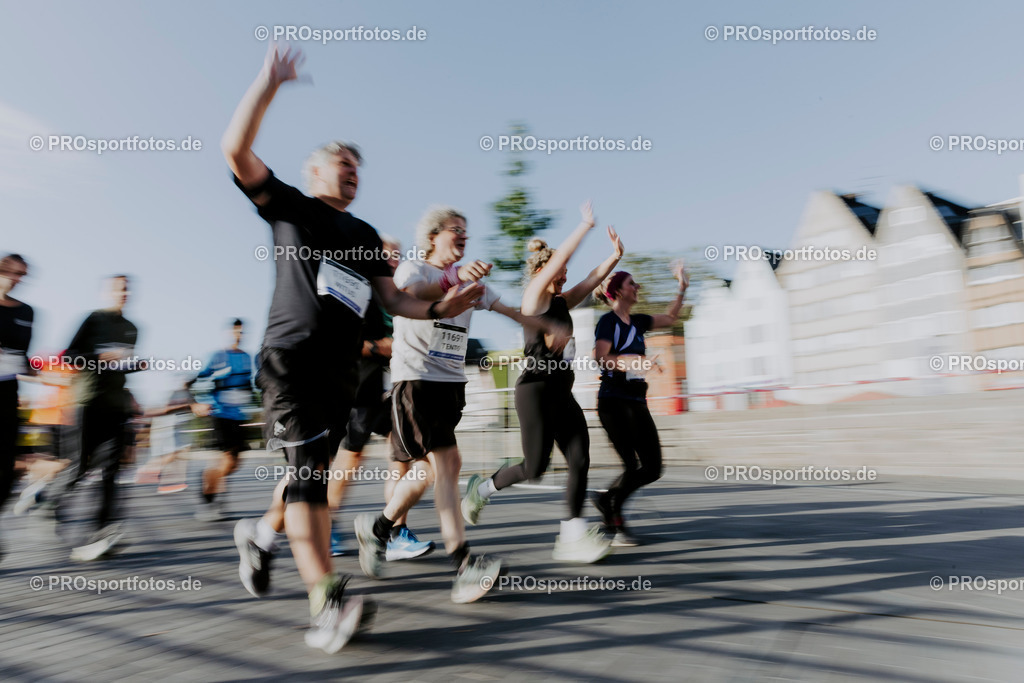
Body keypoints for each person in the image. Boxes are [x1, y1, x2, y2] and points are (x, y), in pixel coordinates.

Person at [223, 43, 481, 654]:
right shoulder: (290, 207)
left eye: (358, 167)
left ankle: (259, 537)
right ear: (314, 174)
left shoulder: (365, 234)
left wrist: (446, 306)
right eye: (341, 163)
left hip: (343, 374)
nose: (352, 172)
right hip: (290, 362)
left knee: (307, 471)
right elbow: (235, 150)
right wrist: (267, 83)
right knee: (310, 481)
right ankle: (325, 602)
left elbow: (396, 301)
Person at [353, 205, 542, 603]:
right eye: (456, 229)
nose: (463, 237)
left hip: (450, 386)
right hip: (415, 383)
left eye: (467, 232)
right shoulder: (414, 269)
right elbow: (411, 296)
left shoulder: (472, 283)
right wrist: (454, 278)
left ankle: (380, 528)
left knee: (431, 472)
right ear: (433, 236)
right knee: (442, 468)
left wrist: (549, 326)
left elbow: (511, 311)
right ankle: (462, 565)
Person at [461, 202, 622, 563]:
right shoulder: (533, 300)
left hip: (561, 394)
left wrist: (614, 257)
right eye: (560, 272)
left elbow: (592, 280)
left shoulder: (564, 302)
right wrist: (585, 226)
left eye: (566, 273)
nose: (565, 277)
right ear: (543, 270)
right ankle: (482, 488)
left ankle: (571, 535)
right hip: (533, 391)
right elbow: (560, 257)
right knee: (535, 467)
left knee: (580, 458)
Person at [327, 236, 434, 562]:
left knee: (404, 459)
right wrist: (384, 346)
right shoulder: (359, 294)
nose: (392, 261)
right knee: (350, 460)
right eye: (386, 255)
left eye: (397, 256)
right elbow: (340, 343)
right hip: (359, 390)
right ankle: (327, 522)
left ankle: (394, 531)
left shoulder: (400, 295)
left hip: (394, 391)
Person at [42, 275, 147, 561]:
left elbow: (122, 367)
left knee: (112, 471)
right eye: (118, 288)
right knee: (78, 469)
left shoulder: (133, 328)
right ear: (107, 292)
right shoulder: (92, 319)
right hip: (86, 403)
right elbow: (70, 356)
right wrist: (101, 357)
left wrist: (135, 365)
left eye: (127, 288)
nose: (123, 292)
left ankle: (102, 532)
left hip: (116, 406)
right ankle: (52, 501)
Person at [592, 263, 688, 546]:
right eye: (632, 283)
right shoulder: (607, 323)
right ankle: (615, 518)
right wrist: (632, 362)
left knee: (653, 467)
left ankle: (607, 499)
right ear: (618, 291)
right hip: (613, 402)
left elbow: (671, 317)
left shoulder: (640, 322)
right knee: (631, 466)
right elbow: (601, 357)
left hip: (636, 401)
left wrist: (682, 286)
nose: (638, 287)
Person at [192, 319, 254, 520]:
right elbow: (195, 379)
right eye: (235, 331)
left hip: (238, 416)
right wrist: (197, 403)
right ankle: (209, 503)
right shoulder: (218, 356)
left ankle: (208, 477)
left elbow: (248, 386)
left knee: (234, 464)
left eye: (241, 332)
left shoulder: (246, 357)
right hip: (219, 413)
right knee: (227, 460)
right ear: (228, 333)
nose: (238, 335)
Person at [0, 254, 33, 558]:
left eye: (22, 274)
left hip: (9, 393)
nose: (16, 278)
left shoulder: (26, 312)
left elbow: (24, 359)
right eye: (11, 272)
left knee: (10, 468)